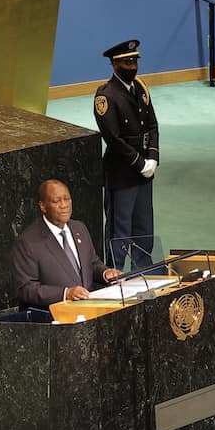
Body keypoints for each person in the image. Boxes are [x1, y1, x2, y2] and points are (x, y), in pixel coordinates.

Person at [93, 39, 160, 271]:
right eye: (127, 62)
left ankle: (144, 270)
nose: (132, 66)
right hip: (122, 173)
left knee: (143, 226)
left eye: (134, 61)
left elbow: (152, 125)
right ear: (114, 64)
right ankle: (116, 275)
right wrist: (140, 162)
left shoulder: (140, 88)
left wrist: (153, 157)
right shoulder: (106, 96)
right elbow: (113, 138)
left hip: (144, 173)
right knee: (119, 230)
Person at [9, 180, 121, 309]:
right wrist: (65, 293)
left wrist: (105, 273)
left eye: (67, 199)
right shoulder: (27, 242)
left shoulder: (79, 228)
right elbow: (25, 288)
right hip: (54, 318)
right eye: (57, 201)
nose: (64, 205)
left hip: (90, 311)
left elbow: (91, 263)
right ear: (43, 206)